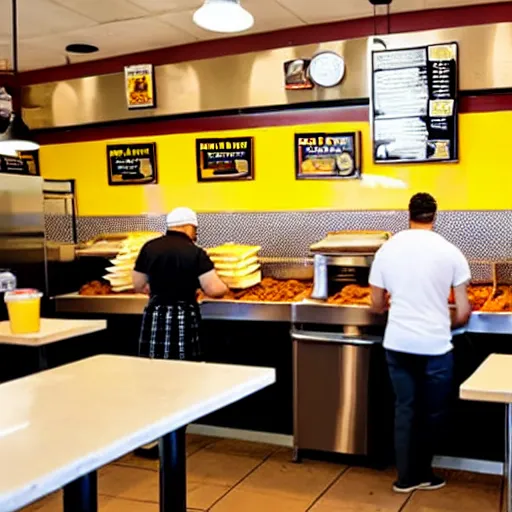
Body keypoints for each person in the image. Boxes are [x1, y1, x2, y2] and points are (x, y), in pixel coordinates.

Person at [369, 193, 471, 494]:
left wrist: (396, 304)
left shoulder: (387, 250)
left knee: (405, 408)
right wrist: (444, 323)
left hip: (397, 343)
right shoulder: (451, 251)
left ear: (409, 215)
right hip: (435, 346)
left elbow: (376, 304)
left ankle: (404, 478)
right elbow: (463, 311)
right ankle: (424, 474)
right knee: (432, 412)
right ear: (435, 216)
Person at [132, 207, 227, 458]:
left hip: (155, 315)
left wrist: (156, 290)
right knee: (182, 379)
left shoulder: (149, 248)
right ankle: (172, 438)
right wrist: (226, 286)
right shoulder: (195, 253)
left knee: (153, 377)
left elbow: (137, 284)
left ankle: (149, 440)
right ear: (189, 227)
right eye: (195, 230)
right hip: (183, 317)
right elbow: (214, 288)